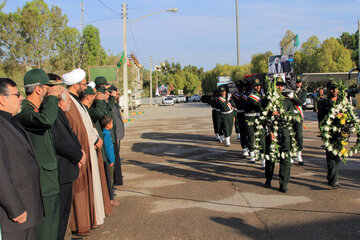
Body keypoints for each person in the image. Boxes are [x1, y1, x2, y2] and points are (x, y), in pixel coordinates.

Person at [18, 69, 64, 240]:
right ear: (38, 89)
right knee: (46, 231)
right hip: (42, 183)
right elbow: (45, 121)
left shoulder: (36, 109)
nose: (49, 92)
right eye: (47, 88)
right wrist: (53, 97)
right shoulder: (25, 111)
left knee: (52, 227)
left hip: (48, 179)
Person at [61, 68, 103, 235]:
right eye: (83, 84)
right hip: (80, 153)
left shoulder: (75, 101)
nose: (85, 88)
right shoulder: (69, 103)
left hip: (87, 149)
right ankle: (81, 225)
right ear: (76, 85)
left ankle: (88, 221)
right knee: (80, 191)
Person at [0, 78, 43, 240]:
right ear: (2, 99)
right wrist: (15, 209)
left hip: (28, 209)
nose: (21, 98)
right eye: (17, 95)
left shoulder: (12, 121)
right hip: (13, 218)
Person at [50, 88, 86, 240]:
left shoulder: (61, 114)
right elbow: (61, 142)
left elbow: (72, 136)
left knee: (65, 213)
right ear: (60, 101)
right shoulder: (53, 116)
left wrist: (79, 152)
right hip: (61, 170)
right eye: (68, 100)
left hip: (68, 169)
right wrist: (78, 155)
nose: (70, 102)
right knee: (59, 216)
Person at [265, 77, 294, 193]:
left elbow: (292, 116)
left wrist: (282, 115)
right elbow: (262, 117)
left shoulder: (287, 101)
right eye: (277, 85)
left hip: (284, 132)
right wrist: (270, 131)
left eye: (281, 85)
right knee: (271, 157)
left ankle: (284, 183)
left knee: (285, 157)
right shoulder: (267, 100)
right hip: (271, 132)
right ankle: (268, 178)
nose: (280, 87)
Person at [318, 80, 341, 189]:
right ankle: (334, 180)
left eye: (335, 88)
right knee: (331, 156)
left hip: (341, 133)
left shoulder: (342, 101)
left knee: (338, 156)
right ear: (327, 90)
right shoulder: (323, 102)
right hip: (329, 132)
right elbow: (321, 119)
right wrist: (323, 132)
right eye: (332, 88)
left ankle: (331, 176)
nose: (334, 90)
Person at [245, 78, 265, 167]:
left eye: (259, 85)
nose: (258, 87)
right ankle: (252, 154)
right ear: (253, 87)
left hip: (259, 118)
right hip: (250, 118)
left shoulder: (262, 94)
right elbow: (258, 106)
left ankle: (262, 157)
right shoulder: (251, 96)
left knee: (260, 137)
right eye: (256, 86)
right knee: (251, 136)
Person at [288, 76, 307, 165]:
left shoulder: (303, 92)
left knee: (299, 136)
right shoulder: (289, 91)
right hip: (290, 116)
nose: (297, 84)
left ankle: (299, 154)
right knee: (291, 135)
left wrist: (293, 98)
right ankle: (291, 155)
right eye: (296, 82)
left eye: (299, 82)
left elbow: (300, 102)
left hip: (298, 116)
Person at [101, 115, 116, 204]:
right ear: (107, 125)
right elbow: (108, 149)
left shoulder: (107, 133)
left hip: (111, 159)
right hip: (110, 160)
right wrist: (111, 159)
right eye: (111, 123)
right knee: (110, 178)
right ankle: (109, 197)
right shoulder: (106, 135)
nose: (112, 125)